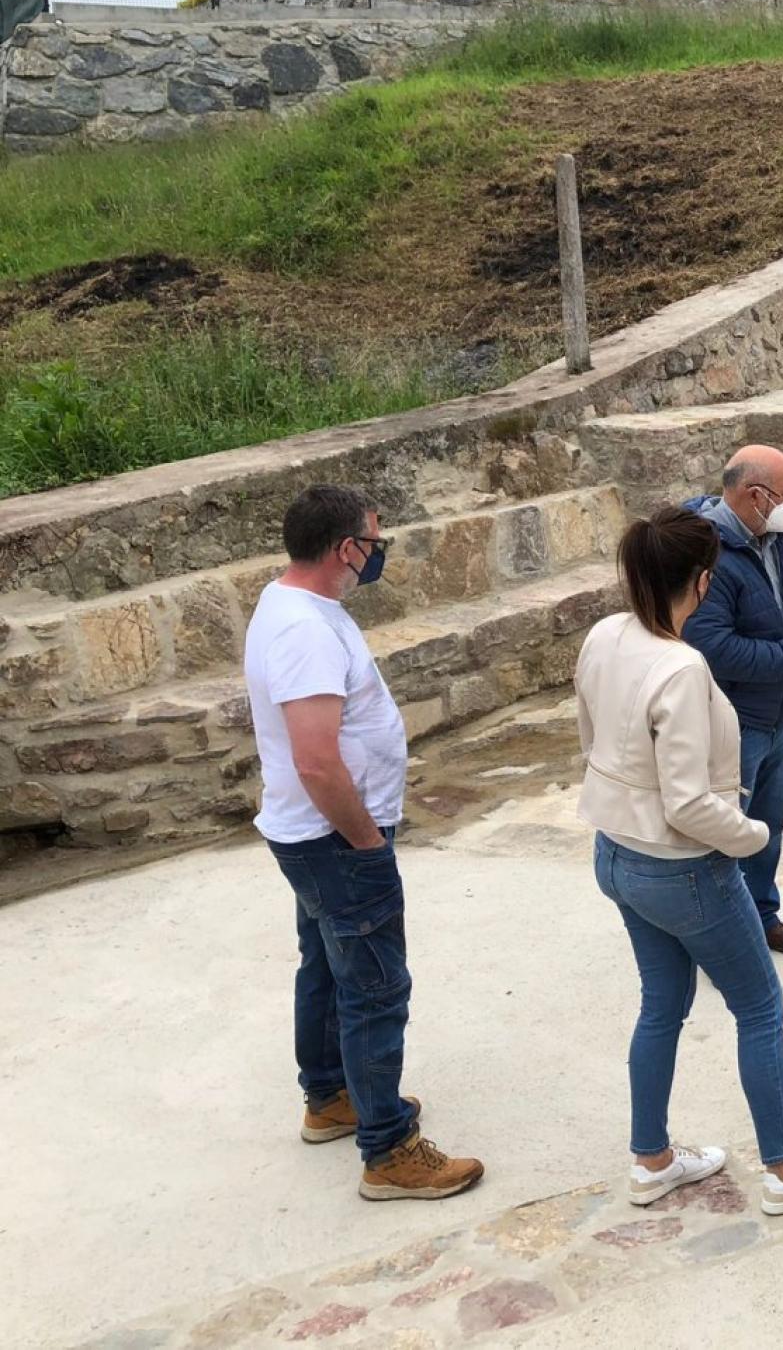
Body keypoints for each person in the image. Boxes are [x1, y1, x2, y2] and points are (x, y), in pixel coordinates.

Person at [578, 506, 783, 1217]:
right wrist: (754, 837)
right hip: (683, 867)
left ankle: (651, 1159)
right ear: (704, 582)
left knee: (662, 1004)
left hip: (615, 851)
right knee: (760, 1006)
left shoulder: (604, 635)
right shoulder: (680, 667)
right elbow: (687, 804)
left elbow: (590, 735)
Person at [245, 484, 483, 1201]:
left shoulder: (294, 606)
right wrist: (367, 842)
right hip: (336, 840)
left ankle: (331, 1100)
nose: (376, 557)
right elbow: (317, 759)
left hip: (316, 838)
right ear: (346, 548)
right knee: (376, 988)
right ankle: (388, 1152)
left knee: (325, 965)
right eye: (374, 545)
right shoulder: (305, 630)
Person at [682, 446, 783, 958]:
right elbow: (711, 647)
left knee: (766, 829)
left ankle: (761, 918)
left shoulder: (774, 538)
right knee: (725, 837)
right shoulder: (706, 556)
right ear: (754, 495)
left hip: (774, 718)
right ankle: (718, 934)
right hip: (733, 725)